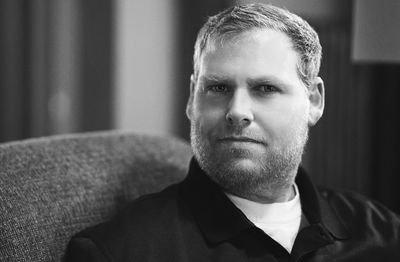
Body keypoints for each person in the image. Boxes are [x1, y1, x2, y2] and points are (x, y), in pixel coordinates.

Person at [65, 3, 400, 261]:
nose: (237, 111)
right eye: (218, 87)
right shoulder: (116, 252)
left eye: (266, 88)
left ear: (313, 101)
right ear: (192, 98)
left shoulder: (382, 233)